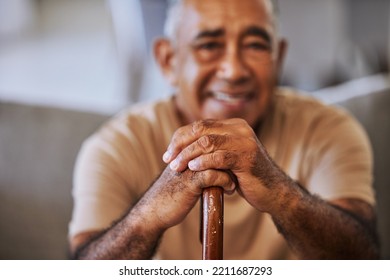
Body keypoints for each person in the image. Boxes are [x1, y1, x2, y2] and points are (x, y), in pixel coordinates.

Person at [68, 0, 379, 259]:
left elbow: (365, 261)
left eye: (256, 45)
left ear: (278, 57)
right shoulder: (114, 145)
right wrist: (151, 213)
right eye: (209, 45)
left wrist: (281, 194)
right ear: (168, 60)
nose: (233, 70)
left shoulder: (329, 129)